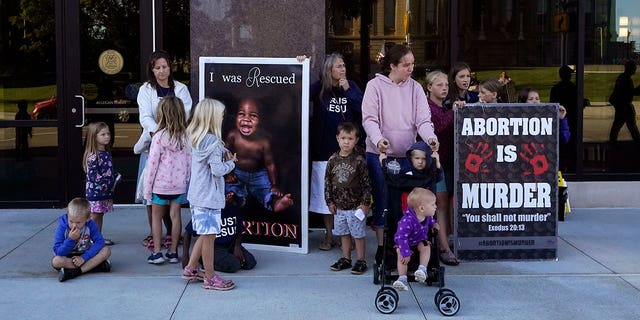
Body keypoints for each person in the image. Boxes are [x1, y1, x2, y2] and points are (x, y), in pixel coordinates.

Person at [361, 44, 439, 264]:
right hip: (380, 155)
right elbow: (369, 119)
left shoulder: (415, 88)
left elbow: (423, 120)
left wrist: (430, 138)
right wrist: (378, 140)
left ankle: (405, 243)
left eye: (413, 64)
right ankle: (383, 246)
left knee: (404, 203)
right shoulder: (374, 86)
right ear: (392, 66)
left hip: (407, 155)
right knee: (383, 200)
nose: (411, 68)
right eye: (406, 65)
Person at [135, 50, 193, 250]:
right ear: (152, 69)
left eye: (165, 67)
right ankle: (155, 233)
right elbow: (145, 116)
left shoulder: (181, 89)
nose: (162, 71)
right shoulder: (146, 90)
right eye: (158, 68)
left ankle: (171, 234)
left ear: (170, 67)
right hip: (154, 144)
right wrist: (158, 133)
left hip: (176, 146)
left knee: (174, 197)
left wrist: (171, 133)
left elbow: (185, 113)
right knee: (151, 196)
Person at [308, 53, 364, 251]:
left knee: (347, 195)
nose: (343, 69)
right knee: (326, 197)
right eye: (338, 66)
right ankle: (329, 234)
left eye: (344, 66)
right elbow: (299, 93)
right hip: (324, 151)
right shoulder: (320, 89)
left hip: (348, 153)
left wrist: (349, 91)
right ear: (329, 69)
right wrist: (299, 65)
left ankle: (344, 236)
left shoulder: (352, 87)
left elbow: (362, 110)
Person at [183, 98, 236, 290]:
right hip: (209, 198)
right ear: (213, 118)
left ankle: (190, 268)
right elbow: (217, 170)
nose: (223, 118)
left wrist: (223, 151)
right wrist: (232, 163)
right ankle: (211, 277)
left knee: (205, 235)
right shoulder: (213, 141)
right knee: (210, 237)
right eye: (221, 116)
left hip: (197, 195)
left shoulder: (197, 137)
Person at [143, 96, 190, 264]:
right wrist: (186, 181)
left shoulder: (158, 137)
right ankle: (173, 252)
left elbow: (152, 164)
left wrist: (147, 189)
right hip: (178, 186)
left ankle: (156, 252)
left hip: (160, 186)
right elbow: (189, 162)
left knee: (156, 217)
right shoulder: (185, 137)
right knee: (175, 216)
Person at [225, 98, 293, 213]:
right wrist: (229, 173)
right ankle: (234, 199)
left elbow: (270, 164)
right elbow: (225, 153)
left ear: (261, 121)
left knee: (267, 191)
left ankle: (276, 203)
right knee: (230, 187)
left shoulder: (263, 142)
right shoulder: (233, 135)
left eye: (253, 116)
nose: (246, 119)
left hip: (258, 175)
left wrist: (274, 184)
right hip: (237, 172)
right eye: (241, 114)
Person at [325, 122, 371, 275]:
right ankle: (346, 258)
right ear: (337, 139)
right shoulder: (332, 160)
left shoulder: (359, 161)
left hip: (355, 207)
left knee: (358, 235)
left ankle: (361, 260)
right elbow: (327, 182)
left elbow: (366, 184)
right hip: (339, 207)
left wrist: (365, 204)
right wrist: (329, 201)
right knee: (343, 234)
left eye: (350, 138)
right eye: (343, 138)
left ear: (356, 140)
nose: (346, 142)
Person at [424, 70, 459, 265]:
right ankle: (443, 246)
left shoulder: (445, 108)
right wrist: (456, 111)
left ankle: (446, 242)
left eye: (446, 85)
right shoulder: (427, 108)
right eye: (439, 85)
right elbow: (437, 126)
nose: (444, 88)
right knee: (440, 204)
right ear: (429, 87)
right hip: (434, 165)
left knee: (445, 205)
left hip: (449, 162)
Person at [181, 185, 256, 273]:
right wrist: (185, 255)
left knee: (250, 262)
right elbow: (188, 233)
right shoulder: (210, 211)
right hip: (214, 246)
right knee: (234, 265)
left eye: (231, 195)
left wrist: (237, 247)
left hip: (230, 244)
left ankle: (229, 258)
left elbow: (239, 230)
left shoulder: (233, 208)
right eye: (226, 195)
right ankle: (204, 260)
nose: (229, 198)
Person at [52, 197, 112, 282]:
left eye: (78, 222)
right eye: (71, 221)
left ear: (88, 218)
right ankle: (94, 266)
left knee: (106, 250)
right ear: (67, 215)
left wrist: (83, 258)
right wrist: (70, 239)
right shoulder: (63, 226)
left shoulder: (90, 224)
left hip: (86, 254)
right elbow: (58, 251)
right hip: (68, 256)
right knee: (56, 261)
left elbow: (99, 242)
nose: (74, 225)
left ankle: (75, 272)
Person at [391, 188, 439, 291]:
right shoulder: (407, 221)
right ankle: (402, 278)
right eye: (433, 204)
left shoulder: (427, 217)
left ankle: (422, 270)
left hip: (418, 241)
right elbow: (401, 237)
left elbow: (431, 222)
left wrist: (434, 224)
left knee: (426, 246)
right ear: (422, 208)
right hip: (404, 243)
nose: (435, 207)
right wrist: (406, 252)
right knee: (400, 253)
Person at [83, 122, 116, 245]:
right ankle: (87, 238)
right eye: (103, 134)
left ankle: (98, 238)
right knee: (94, 216)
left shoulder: (106, 153)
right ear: (94, 137)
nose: (107, 136)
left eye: (108, 134)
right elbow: (93, 175)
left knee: (100, 214)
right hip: (96, 192)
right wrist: (105, 182)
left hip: (105, 192)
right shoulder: (93, 155)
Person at [549, 65, 578, 172]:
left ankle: (563, 166)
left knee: (563, 146)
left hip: (564, 122)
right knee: (568, 145)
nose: (570, 75)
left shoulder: (556, 89)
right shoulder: (574, 88)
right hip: (569, 121)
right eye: (569, 73)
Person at [608, 60, 640, 144]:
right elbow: (630, 92)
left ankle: (612, 143)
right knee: (632, 128)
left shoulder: (621, 77)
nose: (635, 70)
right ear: (630, 68)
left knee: (616, 127)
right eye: (634, 68)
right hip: (625, 107)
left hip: (620, 107)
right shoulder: (627, 80)